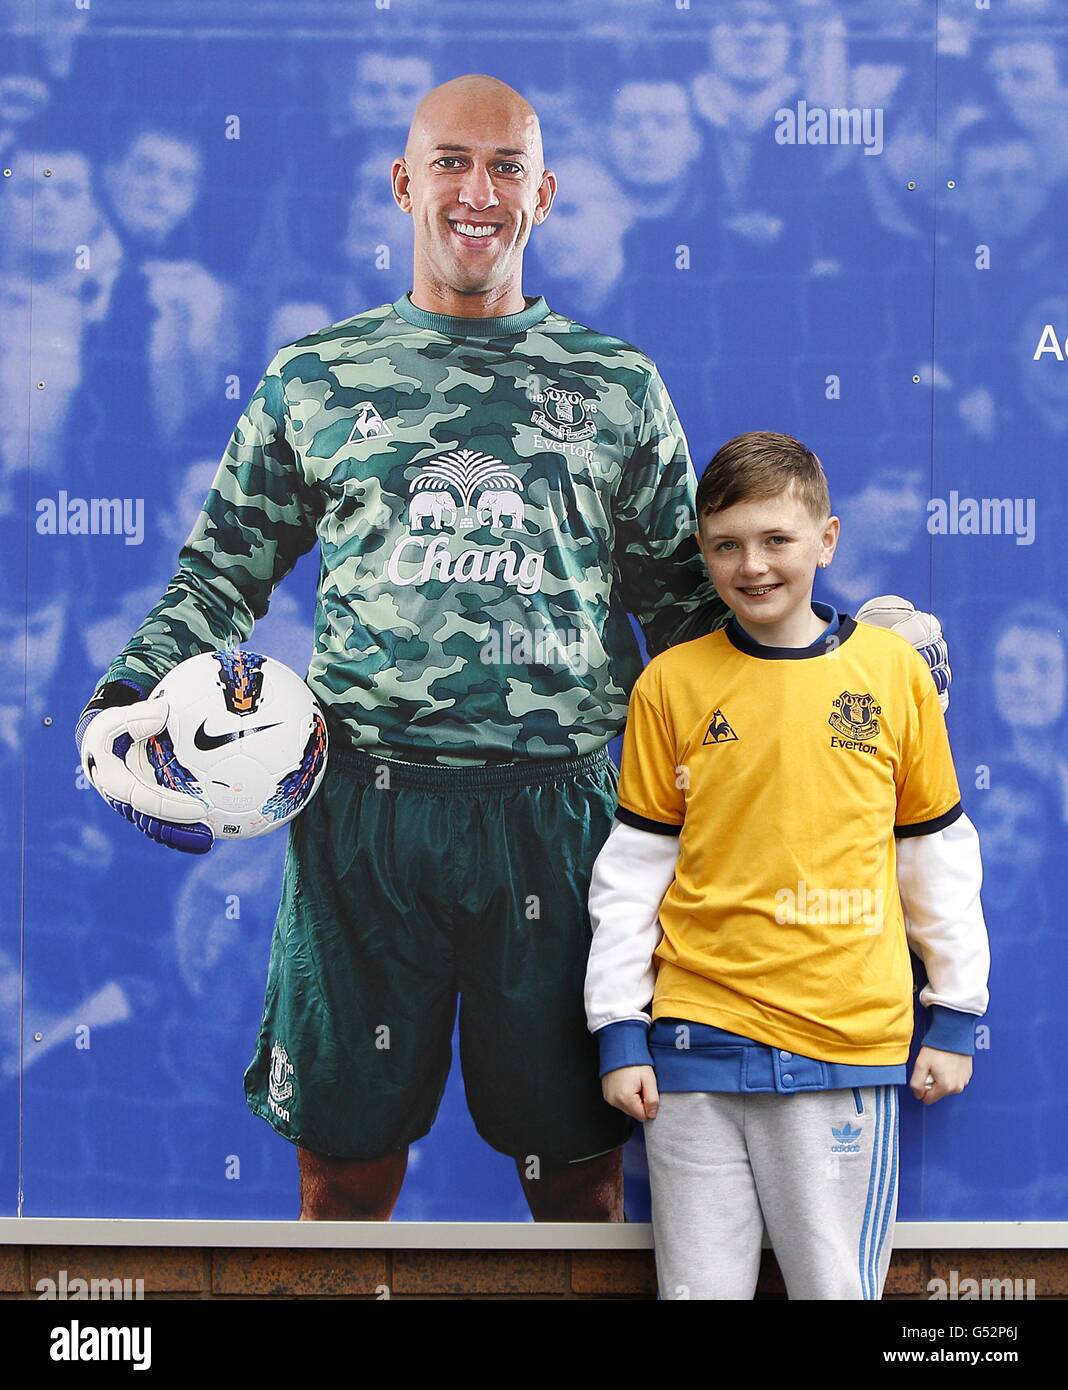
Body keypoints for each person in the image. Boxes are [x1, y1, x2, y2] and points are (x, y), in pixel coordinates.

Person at [73, 76, 950, 1225]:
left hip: (566, 827)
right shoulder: (315, 379)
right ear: (403, 182)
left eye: (503, 167)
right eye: (448, 162)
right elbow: (221, 571)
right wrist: (126, 695)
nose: (475, 191)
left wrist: (837, 659)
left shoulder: (618, 386)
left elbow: (689, 614)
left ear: (542, 193)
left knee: (580, 1182)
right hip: (362, 829)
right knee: (342, 1179)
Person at [585, 431, 989, 1297]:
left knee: (833, 1289)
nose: (754, 565)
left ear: (826, 541)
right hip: (692, 1052)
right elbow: (632, 873)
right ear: (703, 551)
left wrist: (955, 1007)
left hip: (841, 1052)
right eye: (728, 545)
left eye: (777, 540)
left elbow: (935, 852)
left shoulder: (892, 676)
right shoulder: (671, 685)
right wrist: (619, 1027)